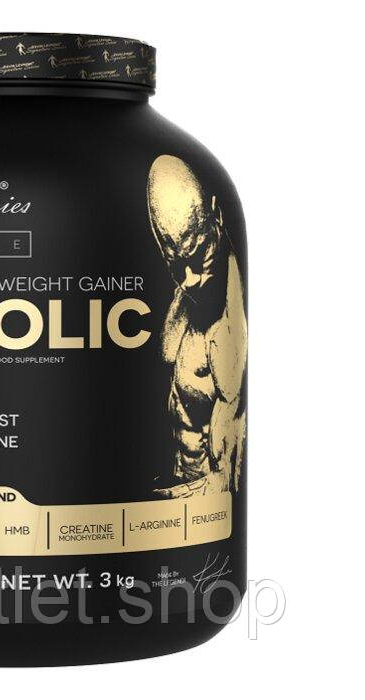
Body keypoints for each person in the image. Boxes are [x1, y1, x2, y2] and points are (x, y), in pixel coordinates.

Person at [147, 155, 247, 497]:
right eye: (175, 262)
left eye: (198, 253)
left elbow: (225, 476)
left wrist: (170, 500)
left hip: (199, 502)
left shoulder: (228, 330)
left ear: (216, 216)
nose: (188, 279)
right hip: (178, 483)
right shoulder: (188, 297)